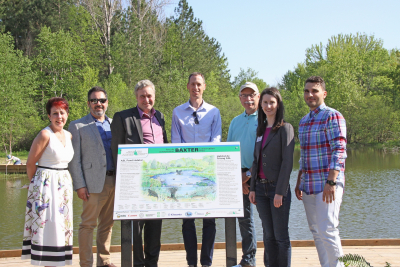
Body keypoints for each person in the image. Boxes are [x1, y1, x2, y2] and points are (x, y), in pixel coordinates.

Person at [111, 80, 168, 267]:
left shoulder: (160, 117)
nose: (146, 99)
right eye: (142, 95)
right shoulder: (123, 117)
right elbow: (115, 151)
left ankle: (152, 263)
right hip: (134, 182)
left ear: (154, 96)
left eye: (149, 95)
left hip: (158, 182)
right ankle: (137, 264)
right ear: (136, 97)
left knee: (154, 228)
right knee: (135, 228)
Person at [295, 76, 347, 267]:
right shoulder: (304, 121)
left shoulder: (332, 116)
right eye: (307, 91)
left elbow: (339, 150)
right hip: (309, 184)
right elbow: (304, 154)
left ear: (323, 94)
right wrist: (299, 180)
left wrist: (331, 182)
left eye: (314, 91)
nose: (310, 95)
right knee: (316, 230)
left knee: (328, 229)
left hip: (327, 184)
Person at [171, 72, 222, 267]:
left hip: (207, 172)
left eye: (199, 84)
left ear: (204, 86)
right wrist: (187, 165)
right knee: (187, 221)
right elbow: (176, 142)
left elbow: (216, 140)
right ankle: (191, 262)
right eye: (193, 84)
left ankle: (206, 262)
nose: (196, 88)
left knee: (209, 220)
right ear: (187, 86)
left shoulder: (214, 112)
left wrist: (203, 164)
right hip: (184, 173)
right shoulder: (178, 112)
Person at [22, 97, 74, 266]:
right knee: (48, 225)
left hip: (63, 185)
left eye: (62, 113)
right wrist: (37, 188)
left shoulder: (69, 135)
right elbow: (31, 163)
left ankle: (58, 262)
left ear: (67, 114)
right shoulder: (45, 134)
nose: (59, 117)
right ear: (49, 116)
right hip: (45, 185)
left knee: (61, 226)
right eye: (55, 113)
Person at [68, 87, 116, 267]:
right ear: (88, 103)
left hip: (114, 181)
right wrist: (79, 185)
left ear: (107, 103)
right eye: (94, 101)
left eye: (102, 100)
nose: (99, 104)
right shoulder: (77, 125)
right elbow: (74, 159)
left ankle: (104, 261)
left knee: (107, 224)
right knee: (87, 225)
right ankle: (86, 263)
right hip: (92, 183)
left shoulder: (114, 123)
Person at [249, 88, 295, 267]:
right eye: (265, 102)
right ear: (261, 105)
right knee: (268, 236)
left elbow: (287, 163)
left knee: (281, 237)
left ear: (278, 104)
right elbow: (255, 160)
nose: (268, 106)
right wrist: (252, 188)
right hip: (260, 190)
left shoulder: (285, 129)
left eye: (272, 102)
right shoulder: (260, 130)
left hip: (277, 189)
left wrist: (280, 192)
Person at [227, 82, 260, 267]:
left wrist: (248, 174)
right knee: (244, 220)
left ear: (258, 96)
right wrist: (239, 179)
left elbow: (265, 152)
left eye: (251, 95)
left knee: (267, 219)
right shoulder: (235, 121)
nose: (248, 99)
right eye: (244, 95)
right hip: (239, 176)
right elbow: (230, 152)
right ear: (240, 98)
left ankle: (271, 260)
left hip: (258, 173)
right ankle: (248, 259)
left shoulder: (264, 119)